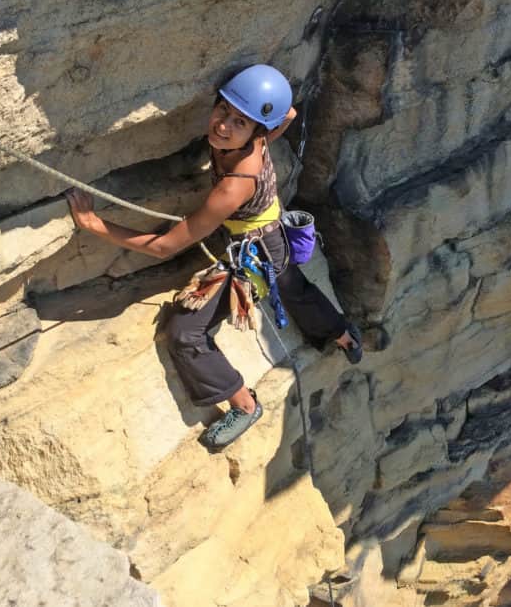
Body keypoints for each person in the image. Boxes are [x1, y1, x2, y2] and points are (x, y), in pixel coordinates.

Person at [65, 64, 363, 449]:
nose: (223, 126)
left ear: (255, 131)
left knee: (184, 331)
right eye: (222, 110)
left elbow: (165, 246)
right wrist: (259, 119)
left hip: (258, 250)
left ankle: (243, 404)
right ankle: (342, 335)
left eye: (239, 122)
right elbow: (286, 113)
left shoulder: (236, 185)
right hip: (271, 231)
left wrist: (95, 225)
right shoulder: (256, 133)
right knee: (295, 289)